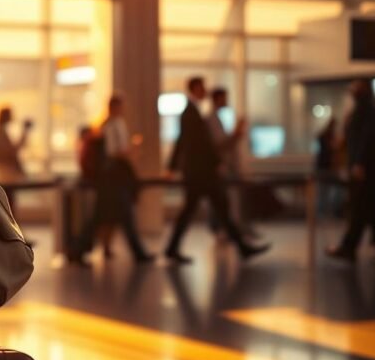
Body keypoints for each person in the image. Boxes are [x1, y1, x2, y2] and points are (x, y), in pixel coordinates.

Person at [163, 77, 270, 264]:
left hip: (200, 172)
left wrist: (173, 166)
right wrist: (214, 163)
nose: (205, 90)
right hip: (200, 173)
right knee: (212, 209)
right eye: (202, 87)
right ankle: (242, 248)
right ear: (195, 88)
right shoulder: (191, 112)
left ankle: (173, 248)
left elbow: (185, 142)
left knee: (214, 209)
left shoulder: (193, 112)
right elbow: (195, 144)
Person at [68, 96, 153, 264]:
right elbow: (116, 152)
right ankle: (138, 252)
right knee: (122, 214)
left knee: (101, 215)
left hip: (108, 178)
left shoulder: (104, 126)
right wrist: (132, 149)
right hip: (114, 177)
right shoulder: (114, 126)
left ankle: (77, 250)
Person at [326, 79, 375, 264]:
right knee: (370, 209)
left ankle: (349, 247)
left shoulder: (369, 111)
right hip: (366, 168)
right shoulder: (365, 110)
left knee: (363, 208)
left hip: (369, 169)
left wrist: (359, 162)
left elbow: (367, 138)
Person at [206, 88, 259, 240]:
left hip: (225, 166)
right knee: (224, 202)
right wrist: (236, 133)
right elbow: (219, 144)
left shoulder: (216, 118)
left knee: (224, 202)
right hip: (222, 167)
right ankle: (229, 231)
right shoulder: (212, 119)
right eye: (224, 98)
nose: (226, 101)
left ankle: (234, 232)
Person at [0, 106, 32, 184]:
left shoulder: (2, 133)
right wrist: (25, 133)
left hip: (6, 171)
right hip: (6, 172)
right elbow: (11, 152)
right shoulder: (0, 134)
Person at [314, 117, 342, 217]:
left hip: (327, 167)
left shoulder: (326, 136)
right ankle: (322, 212)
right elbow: (329, 151)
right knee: (323, 191)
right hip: (325, 167)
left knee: (325, 191)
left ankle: (326, 211)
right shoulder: (326, 137)